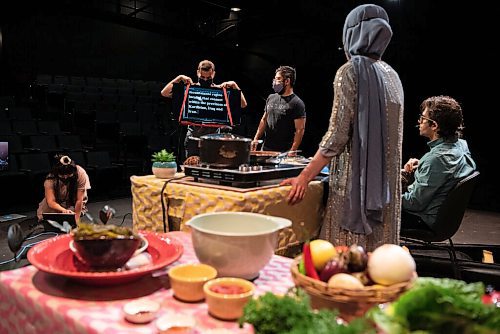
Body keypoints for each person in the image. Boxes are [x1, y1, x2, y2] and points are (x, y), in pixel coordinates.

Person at [280, 4, 404, 251]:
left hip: (352, 184)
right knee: (380, 264)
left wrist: (305, 176)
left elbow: (337, 135)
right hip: (386, 186)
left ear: (351, 34)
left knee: (343, 262)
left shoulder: (350, 72)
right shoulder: (392, 75)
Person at [401, 95, 476, 230]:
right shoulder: (461, 145)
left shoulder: (436, 159)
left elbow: (413, 203)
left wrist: (384, 198)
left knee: (368, 206)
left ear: (434, 125)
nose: (420, 121)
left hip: (422, 220)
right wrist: (422, 167)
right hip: (444, 221)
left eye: (423, 118)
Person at [161, 59, 247, 159]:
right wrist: (179, 78)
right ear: (198, 73)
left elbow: (243, 104)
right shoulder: (190, 89)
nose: (205, 80)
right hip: (193, 138)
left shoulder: (220, 91)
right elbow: (164, 93)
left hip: (213, 140)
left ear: (213, 74)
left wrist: (234, 85)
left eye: (208, 78)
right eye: (202, 77)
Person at [251, 66, 306, 153]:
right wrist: (255, 139)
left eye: (278, 79)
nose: (275, 82)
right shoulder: (271, 97)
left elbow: (300, 129)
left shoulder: (297, 103)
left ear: (287, 81)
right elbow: (264, 120)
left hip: (284, 152)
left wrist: (292, 151)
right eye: (275, 79)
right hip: (266, 149)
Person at [36, 154, 91, 224]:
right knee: (44, 215)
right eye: (62, 175)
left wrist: (76, 221)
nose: (65, 177)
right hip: (57, 201)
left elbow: (79, 200)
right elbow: (51, 201)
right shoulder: (50, 179)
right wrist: (63, 210)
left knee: (72, 215)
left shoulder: (80, 173)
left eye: (68, 175)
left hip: (73, 199)